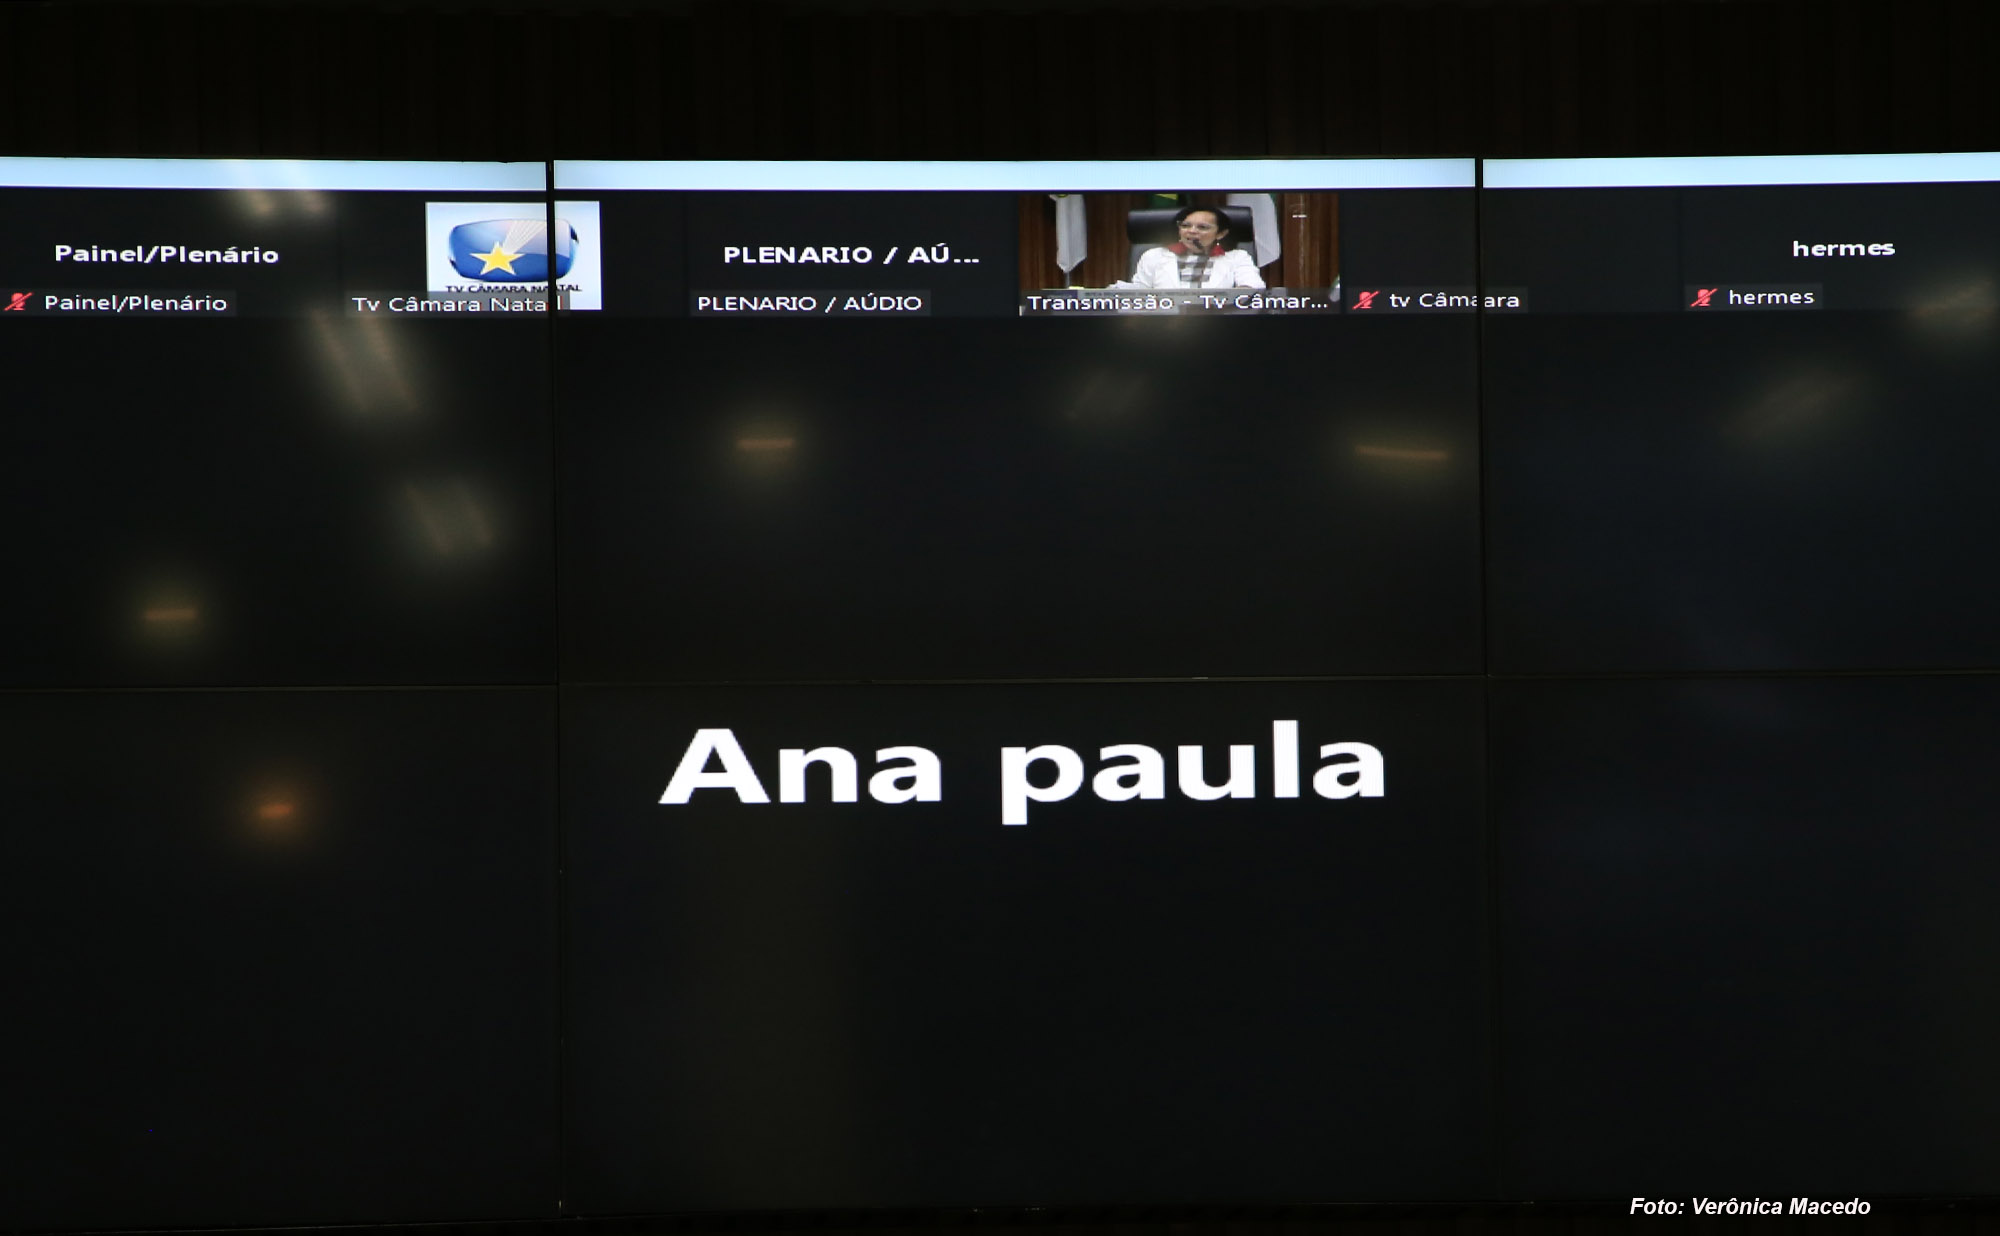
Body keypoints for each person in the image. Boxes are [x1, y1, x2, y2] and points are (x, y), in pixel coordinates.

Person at [1128, 205, 1266, 289]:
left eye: (1203, 227)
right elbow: (1138, 293)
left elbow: (1253, 287)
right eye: (1185, 226)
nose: (1192, 231)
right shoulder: (1154, 255)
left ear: (1220, 234)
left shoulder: (1237, 257)